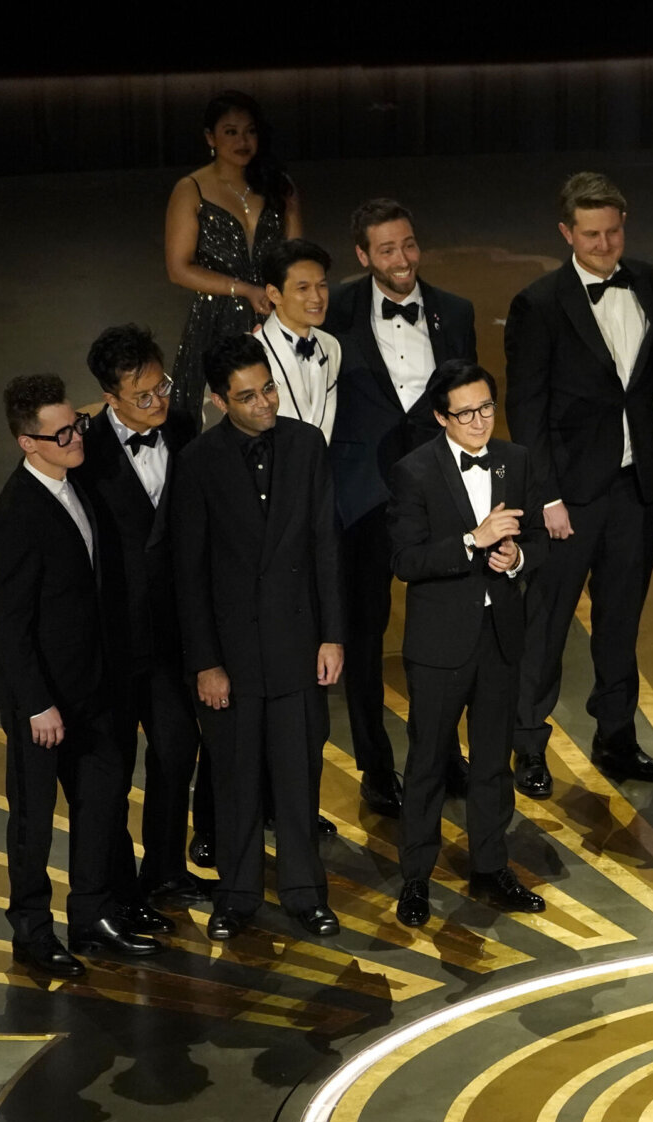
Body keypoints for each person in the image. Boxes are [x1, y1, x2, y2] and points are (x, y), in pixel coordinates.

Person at [0, 376, 164, 977]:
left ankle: (91, 916)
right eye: (60, 434)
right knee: (34, 821)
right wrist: (38, 704)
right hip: (39, 700)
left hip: (92, 687)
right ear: (27, 443)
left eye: (76, 425)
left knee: (101, 803)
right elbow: (11, 624)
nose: (75, 438)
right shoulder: (16, 513)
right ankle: (32, 933)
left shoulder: (77, 482)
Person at [171, 336, 344, 941]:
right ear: (220, 401)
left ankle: (305, 893)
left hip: (298, 645)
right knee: (236, 782)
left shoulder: (307, 444)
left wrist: (332, 636)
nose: (265, 402)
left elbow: (325, 545)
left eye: (267, 388)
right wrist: (206, 663)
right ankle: (237, 895)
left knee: (299, 779)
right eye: (247, 396)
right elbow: (189, 573)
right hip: (233, 657)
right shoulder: (197, 462)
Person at [506, 172, 653, 793]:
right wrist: (545, 496)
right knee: (546, 626)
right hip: (567, 498)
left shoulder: (648, 280)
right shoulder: (539, 304)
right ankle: (527, 744)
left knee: (621, 623)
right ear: (566, 233)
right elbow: (527, 409)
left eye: (613, 232)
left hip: (633, 489)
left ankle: (616, 738)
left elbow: (651, 373)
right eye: (591, 234)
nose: (604, 245)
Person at [327, 198, 480, 816]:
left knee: (441, 632)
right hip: (361, 496)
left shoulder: (455, 312)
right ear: (363, 255)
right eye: (386, 249)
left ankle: (441, 754)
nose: (402, 259)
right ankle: (375, 766)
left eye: (408, 244)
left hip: (436, 494)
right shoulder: (334, 310)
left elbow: (465, 401)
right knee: (364, 636)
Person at [386, 361, 548, 927]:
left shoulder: (515, 460)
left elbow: (538, 541)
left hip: (499, 635)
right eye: (466, 413)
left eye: (486, 408)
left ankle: (490, 865)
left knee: (493, 762)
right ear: (440, 417)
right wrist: (471, 541)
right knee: (428, 762)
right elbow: (405, 560)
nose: (480, 421)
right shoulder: (413, 472)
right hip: (439, 645)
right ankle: (415, 877)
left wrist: (517, 558)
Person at [74, 326, 210, 911]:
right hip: (114, 640)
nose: (158, 402)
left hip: (171, 634)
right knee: (111, 771)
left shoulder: (181, 428)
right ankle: (115, 891)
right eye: (143, 396)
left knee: (177, 750)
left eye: (163, 387)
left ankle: (164, 870)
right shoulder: (85, 451)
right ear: (110, 398)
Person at [165, 91, 299, 431]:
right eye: (231, 132)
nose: (242, 141)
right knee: (215, 421)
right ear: (210, 137)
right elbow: (178, 269)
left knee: (283, 411)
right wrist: (245, 289)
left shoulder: (279, 185)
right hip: (215, 320)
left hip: (275, 315)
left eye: (250, 131)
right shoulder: (191, 189)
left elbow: (297, 257)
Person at [252, 238, 340, 441]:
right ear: (274, 294)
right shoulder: (253, 352)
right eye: (303, 288)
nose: (317, 298)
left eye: (322, 286)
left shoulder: (331, 346)